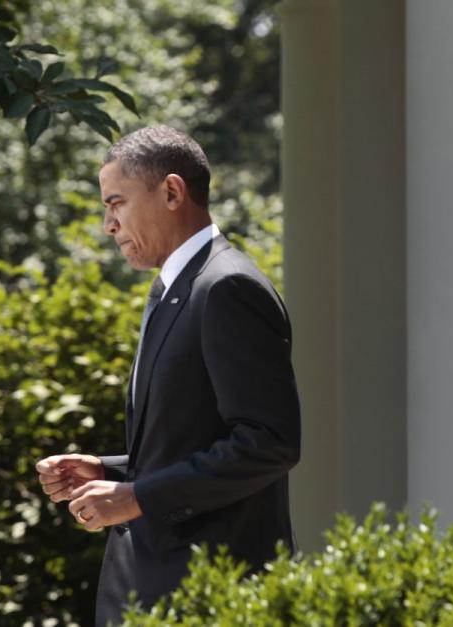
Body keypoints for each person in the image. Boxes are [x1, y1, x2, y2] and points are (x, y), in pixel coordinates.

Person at [35, 125, 301, 625]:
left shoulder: (227, 287)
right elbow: (195, 438)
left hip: (209, 595)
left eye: (116, 203)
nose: (109, 225)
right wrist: (110, 471)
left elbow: (270, 443)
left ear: (172, 192)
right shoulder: (179, 286)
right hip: (157, 589)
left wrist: (137, 498)